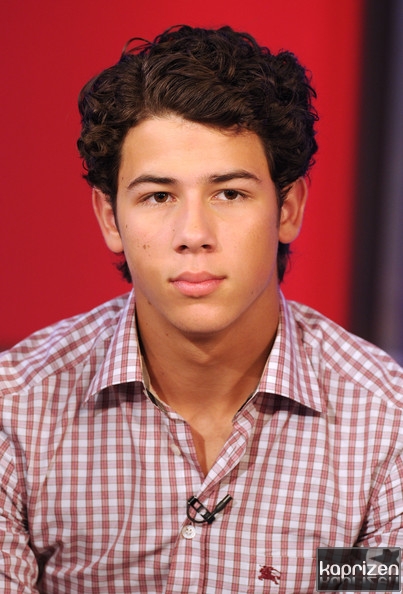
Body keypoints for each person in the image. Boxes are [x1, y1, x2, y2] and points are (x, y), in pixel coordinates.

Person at [0, 24, 402, 594]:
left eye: (230, 193)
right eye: (158, 196)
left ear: (288, 208)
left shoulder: (385, 424)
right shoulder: (17, 410)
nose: (193, 234)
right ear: (111, 218)